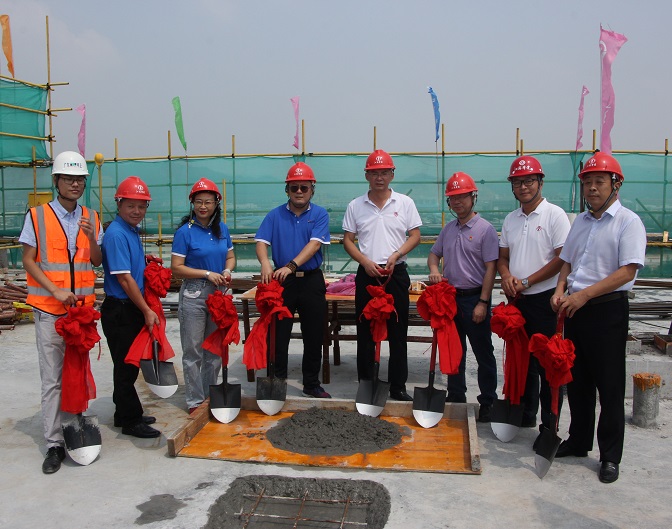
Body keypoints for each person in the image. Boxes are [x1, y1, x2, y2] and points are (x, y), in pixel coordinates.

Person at [552, 152, 646, 484]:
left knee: (609, 385)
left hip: (607, 310)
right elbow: (567, 260)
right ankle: (579, 440)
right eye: (587, 182)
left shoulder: (628, 222)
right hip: (575, 309)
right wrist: (560, 289)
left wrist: (585, 295)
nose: (592, 188)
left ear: (615, 185)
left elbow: (627, 270)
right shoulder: (580, 221)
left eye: (599, 182)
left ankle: (609, 456)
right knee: (577, 381)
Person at [19, 151, 103, 474]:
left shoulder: (91, 217)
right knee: (53, 379)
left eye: (79, 179)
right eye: (68, 178)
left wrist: (92, 238)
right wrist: (54, 291)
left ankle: (74, 429)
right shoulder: (37, 216)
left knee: (77, 373)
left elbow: (96, 260)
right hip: (50, 312)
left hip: (81, 313)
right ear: (56, 181)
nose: (74, 184)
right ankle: (54, 443)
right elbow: (29, 260)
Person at [498, 155, 571, 443]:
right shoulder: (511, 219)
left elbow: (562, 257)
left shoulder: (554, 215)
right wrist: (506, 275)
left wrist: (528, 281)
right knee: (522, 361)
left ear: (540, 182)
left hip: (544, 300)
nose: (523, 187)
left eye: (529, 181)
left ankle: (548, 426)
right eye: (518, 182)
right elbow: (503, 257)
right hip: (519, 301)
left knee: (548, 364)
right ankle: (526, 413)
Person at [343, 149, 422, 401]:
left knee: (398, 331)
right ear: (366, 175)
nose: (379, 177)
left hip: (395, 273)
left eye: (384, 172)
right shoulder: (356, 205)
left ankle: (398, 386)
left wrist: (397, 254)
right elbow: (348, 240)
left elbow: (415, 236)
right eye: (374, 173)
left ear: (392, 174)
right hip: (367, 274)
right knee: (365, 331)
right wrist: (364, 261)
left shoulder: (405, 203)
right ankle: (367, 384)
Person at [255, 162, 331, 398]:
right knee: (278, 334)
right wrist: (265, 262)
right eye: (294, 187)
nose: (299, 192)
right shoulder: (274, 215)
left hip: (310, 280)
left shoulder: (319, 214)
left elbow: (315, 244)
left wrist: (291, 265)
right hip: (282, 282)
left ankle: (311, 383)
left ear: (312, 190)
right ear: (286, 190)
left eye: (304, 187)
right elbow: (261, 242)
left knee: (314, 333)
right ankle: (277, 381)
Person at [427, 172, 498, 422]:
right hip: (451, 299)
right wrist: (434, 270)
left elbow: (491, 268)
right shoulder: (448, 230)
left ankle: (488, 400)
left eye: (462, 197)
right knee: (453, 350)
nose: (457, 202)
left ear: (473, 197)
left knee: (483, 352)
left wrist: (483, 302)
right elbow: (434, 254)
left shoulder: (485, 230)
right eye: (453, 198)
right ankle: (456, 395)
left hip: (474, 298)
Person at [100, 176, 161, 439]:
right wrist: (146, 310)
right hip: (121, 309)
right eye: (131, 206)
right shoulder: (116, 234)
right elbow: (124, 279)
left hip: (128, 307)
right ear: (119, 204)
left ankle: (122, 412)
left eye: (141, 206)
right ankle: (130, 420)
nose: (137, 211)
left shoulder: (130, 231)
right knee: (126, 367)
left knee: (127, 364)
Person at [171, 178, 235, 414]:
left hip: (218, 294)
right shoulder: (184, 233)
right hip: (194, 293)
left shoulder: (222, 229)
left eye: (208, 202)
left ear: (216, 203)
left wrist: (227, 270)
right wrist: (207, 273)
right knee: (193, 350)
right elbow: (176, 268)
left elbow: (230, 257)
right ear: (192, 204)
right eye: (199, 202)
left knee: (214, 349)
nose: (203, 206)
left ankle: (210, 395)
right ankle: (195, 401)